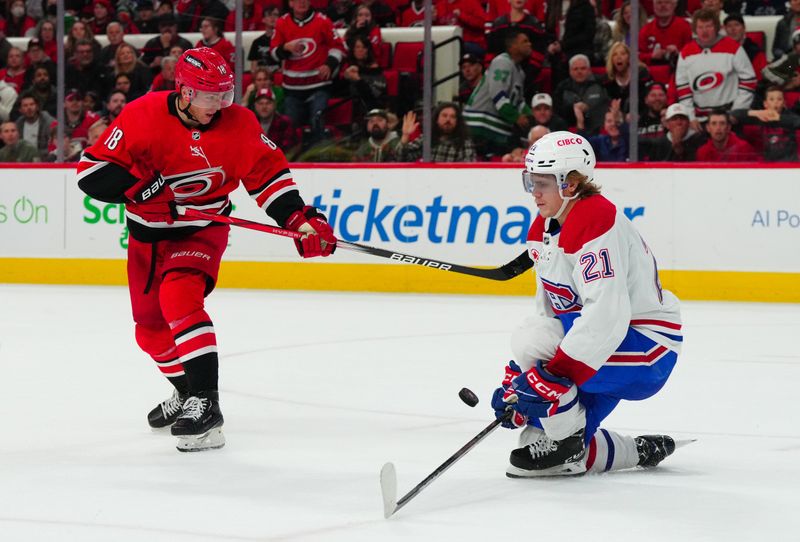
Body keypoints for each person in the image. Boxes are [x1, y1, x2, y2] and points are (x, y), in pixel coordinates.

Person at [76, 47, 337, 453]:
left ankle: (208, 407)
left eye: (224, 94)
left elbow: (269, 178)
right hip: (147, 237)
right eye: (208, 95)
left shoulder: (241, 125)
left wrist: (300, 221)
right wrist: (142, 189)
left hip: (202, 231)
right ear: (183, 91)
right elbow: (91, 175)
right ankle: (187, 392)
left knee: (178, 297)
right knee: (149, 332)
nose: (218, 105)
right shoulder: (142, 115)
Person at [490, 131, 681, 477]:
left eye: (543, 183)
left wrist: (549, 376)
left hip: (646, 348)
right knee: (533, 455)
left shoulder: (595, 219)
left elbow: (607, 316)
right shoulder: (544, 228)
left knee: (531, 342)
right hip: (603, 349)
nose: (534, 192)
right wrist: (526, 383)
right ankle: (635, 451)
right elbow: (549, 309)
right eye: (530, 181)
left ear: (572, 184)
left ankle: (568, 437)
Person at [270, 0, 346, 144]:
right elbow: (273, 54)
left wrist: (329, 65)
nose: (302, 2)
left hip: (318, 85)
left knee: (317, 122)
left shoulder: (322, 21)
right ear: (290, 3)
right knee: (290, 128)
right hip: (292, 89)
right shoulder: (282, 23)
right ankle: (291, 161)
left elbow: (339, 48)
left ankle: (318, 160)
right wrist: (285, 47)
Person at [675, 9, 756, 121]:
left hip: (729, 116)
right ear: (694, 29)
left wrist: (737, 111)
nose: (704, 31)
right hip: (699, 119)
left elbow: (749, 80)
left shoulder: (733, 47)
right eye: (700, 27)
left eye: (708, 26)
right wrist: (690, 117)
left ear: (717, 27)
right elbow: (683, 87)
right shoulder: (685, 52)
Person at [464, 29, 533, 157]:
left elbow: (518, 101)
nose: (529, 44)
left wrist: (532, 117)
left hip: (496, 130)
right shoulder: (502, 62)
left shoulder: (519, 71)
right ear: (513, 46)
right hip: (480, 126)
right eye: (524, 41)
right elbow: (498, 94)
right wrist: (515, 117)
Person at [732, 86, 800, 161]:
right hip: (764, 166)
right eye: (771, 99)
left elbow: (797, 121)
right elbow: (732, 115)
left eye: (779, 99)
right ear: (765, 103)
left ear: (784, 103)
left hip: (789, 166)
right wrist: (755, 112)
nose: (776, 102)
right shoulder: (758, 118)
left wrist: (779, 118)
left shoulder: (790, 118)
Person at [396, 103, 477, 162]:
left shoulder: (465, 143)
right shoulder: (427, 138)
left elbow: (468, 170)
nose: (448, 120)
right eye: (444, 115)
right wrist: (405, 135)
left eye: (453, 117)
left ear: (457, 121)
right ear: (436, 119)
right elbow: (401, 158)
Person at [638, 102, 705, 161]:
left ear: (688, 123)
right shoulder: (659, 144)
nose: (679, 122)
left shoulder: (699, 141)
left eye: (682, 118)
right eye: (674, 119)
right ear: (667, 124)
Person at [638, 0, 692, 66]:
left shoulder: (685, 26)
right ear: (653, 6)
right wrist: (651, 56)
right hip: (651, 72)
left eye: (667, 2)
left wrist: (678, 53)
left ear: (674, 5)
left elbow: (692, 53)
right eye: (659, 2)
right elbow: (638, 55)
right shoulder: (645, 30)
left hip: (678, 71)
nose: (663, 6)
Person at [252, 87, 299, 156]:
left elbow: (287, 148)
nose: (264, 107)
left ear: (274, 105)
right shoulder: (251, 123)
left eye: (268, 103)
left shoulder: (285, 123)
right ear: (255, 105)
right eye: (260, 103)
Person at [15, 91, 54, 160]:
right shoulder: (18, 124)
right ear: (20, 110)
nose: (29, 108)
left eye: (32, 104)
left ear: (37, 106)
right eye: (25, 105)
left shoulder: (48, 122)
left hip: (44, 161)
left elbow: (53, 147)